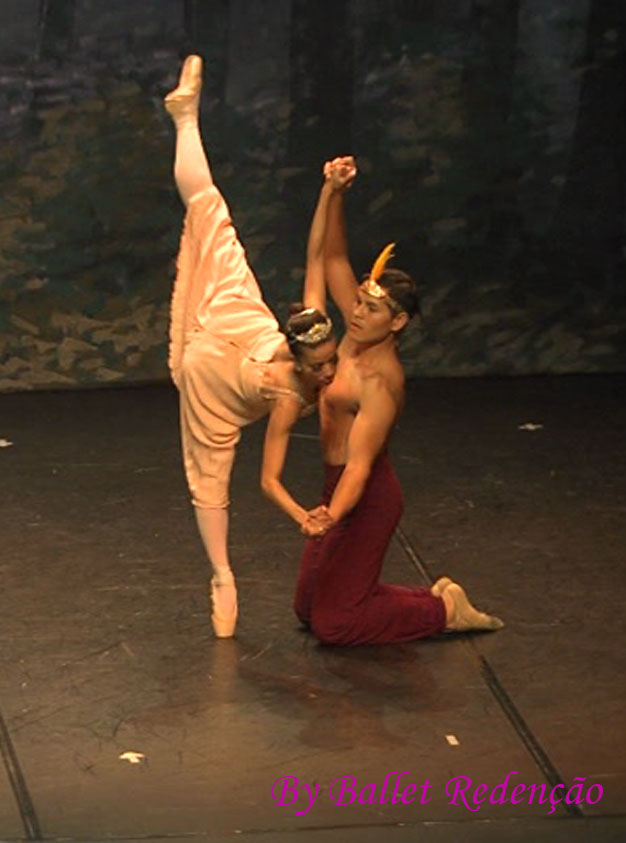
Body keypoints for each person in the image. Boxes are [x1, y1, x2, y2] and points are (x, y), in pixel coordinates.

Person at [164, 55, 342, 638]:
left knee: (209, 473)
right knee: (210, 210)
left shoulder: (303, 359)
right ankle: (222, 576)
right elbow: (268, 481)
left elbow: (316, 256)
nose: (329, 371)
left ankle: (220, 577)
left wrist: (330, 190)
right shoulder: (293, 385)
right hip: (226, 349)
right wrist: (303, 517)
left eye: (331, 361)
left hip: (228, 354)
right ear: (297, 354)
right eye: (320, 365)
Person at [294, 156, 504, 645]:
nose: (358, 312)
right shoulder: (350, 335)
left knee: (335, 625)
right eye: (360, 303)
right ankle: (422, 596)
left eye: (372, 310)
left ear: (398, 322)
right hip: (335, 488)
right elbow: (331, 259)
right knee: (307, 609)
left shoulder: (383, 381)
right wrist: (335, 193)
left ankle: (442, 610)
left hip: (364, 499)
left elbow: (362, 467)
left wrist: (333, 514)